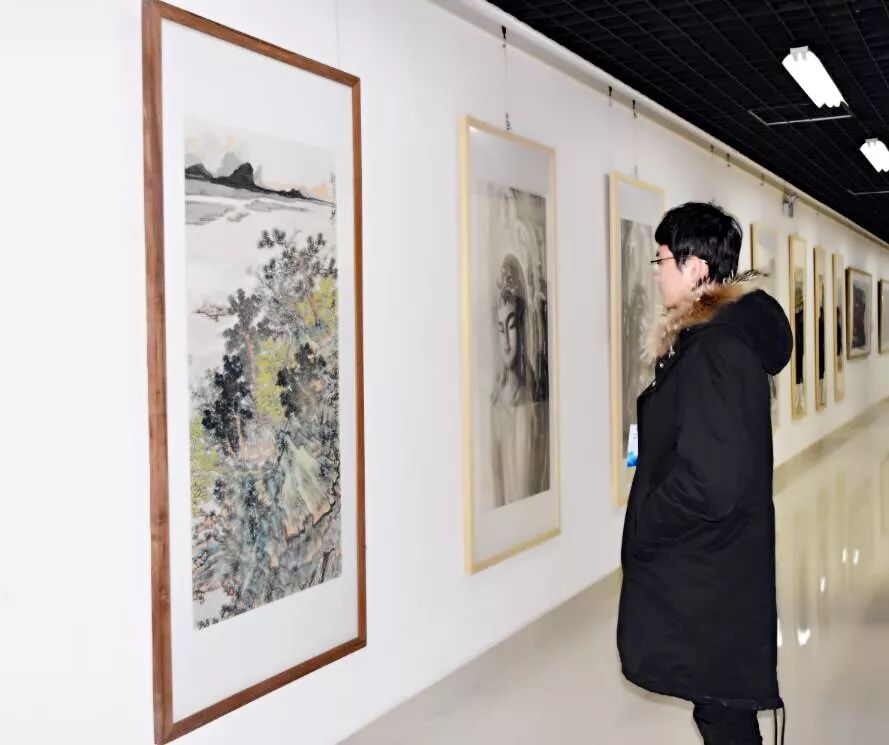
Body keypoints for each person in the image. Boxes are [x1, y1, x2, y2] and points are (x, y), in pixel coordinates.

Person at [617, 202, 792, 744]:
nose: (656, 272)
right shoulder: (714, 341)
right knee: (719, 713)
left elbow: (712, 480)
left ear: (694, 267)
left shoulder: (716, 350)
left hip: (711, 573)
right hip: (715, 565)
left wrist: (647, 520)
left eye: (662, 259)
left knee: (723, 718)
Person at [490, 254, 549, 507]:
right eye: (501, 328)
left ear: (522, 328)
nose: (506, 341)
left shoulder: (531, 395)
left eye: (512, 327)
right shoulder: (497, 397)